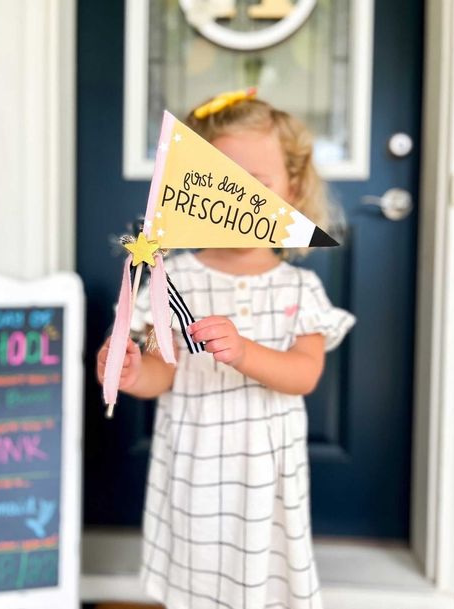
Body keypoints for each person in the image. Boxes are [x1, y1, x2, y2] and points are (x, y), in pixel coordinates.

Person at [97, 90, 355, 609]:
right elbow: (160, 372)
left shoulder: (300, 290)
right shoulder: (175, 278)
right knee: (196, 583)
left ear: (294, 188)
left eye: (256, 189)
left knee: (264, 583)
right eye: (223, 187)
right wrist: (128, 371)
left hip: (266, 476)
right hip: (194, 466)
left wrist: (244, 352)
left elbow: (303, 375)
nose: (239, 205)